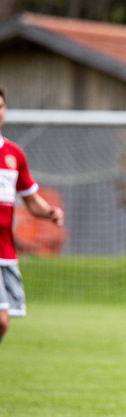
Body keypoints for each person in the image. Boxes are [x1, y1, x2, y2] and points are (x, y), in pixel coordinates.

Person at [0, 85, 65, 346]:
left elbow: (31, 200)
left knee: (4, 322)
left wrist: (50, 213)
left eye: (0, 107)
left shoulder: (14, 155)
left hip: (5, 251)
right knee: (1, 320)